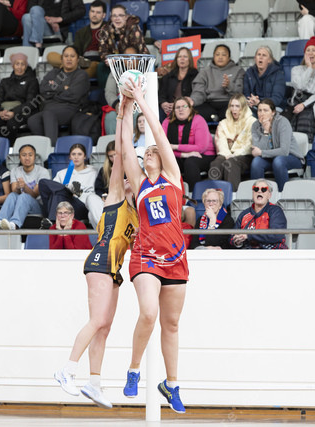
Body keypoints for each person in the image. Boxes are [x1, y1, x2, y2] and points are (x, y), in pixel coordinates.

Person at [54, 99, 137, 408]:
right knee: (97, 319)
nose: (127, 180)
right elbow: (122, 156)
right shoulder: (114, 198)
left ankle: (94, 383)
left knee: (105, 326)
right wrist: (124, 114)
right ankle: (66, 370)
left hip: (115, 268)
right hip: (100, 260)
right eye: (125, 177)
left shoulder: (136, 214)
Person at [120, 80, 189, 414]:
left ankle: (171, 384)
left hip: (176, 258)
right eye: (145, 152)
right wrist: (124, 110)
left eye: (152, 152)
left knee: (171, 325)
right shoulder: (140, 183)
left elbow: (160, 135)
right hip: (145, 256)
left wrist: (142, 101)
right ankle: (133, 370)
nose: (148, 153)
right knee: (149, 312)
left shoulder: (172, 178)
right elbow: (124, 147)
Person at [27, 46, 89, 144]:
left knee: (48, 114)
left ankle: (51, 147)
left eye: (72, 56)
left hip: (70, 108)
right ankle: (43, 145)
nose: (69, 59)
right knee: (32, 120)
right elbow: (43, 90)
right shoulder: (54, 72)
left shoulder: (81, 75)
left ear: (77, 59)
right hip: (49, 108)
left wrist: (54, 91)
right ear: (62, 59)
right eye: (66, 56)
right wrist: (64, 88)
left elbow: (73, 96)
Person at [38, 143, 103, 227]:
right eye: (73, 154)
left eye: (79, 154)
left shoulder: (94, 172)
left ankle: (52, 221)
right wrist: (68, 191)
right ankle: (66, 191)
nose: (76, 157)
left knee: (59, 193)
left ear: (85, 156)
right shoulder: (62, 173)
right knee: (43, 183)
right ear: (70, 157)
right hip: (64, 205)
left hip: (84, 206)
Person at [0, 144, 50, 230]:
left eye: (30, 155)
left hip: (38, 206)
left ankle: (14, 224)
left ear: (34, 157)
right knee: (12, 195)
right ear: (19, 157)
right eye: (24, 155)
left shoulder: (43, 172)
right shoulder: (15, 171)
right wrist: (17, 187)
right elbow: (14, 191)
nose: (27, 158)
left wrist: (24, 187)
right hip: (20, 204)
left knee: (24, 196)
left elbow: (35, 194)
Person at [250, 99, 304, 192]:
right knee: (256, 162)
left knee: (278, 161)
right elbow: (256, 151)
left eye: (265, 110)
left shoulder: (282, 122)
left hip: (291, 156)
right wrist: (266, 132)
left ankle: (282, 194)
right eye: (259, 110)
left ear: (273, 112)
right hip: (270, 158)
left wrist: (261, 152)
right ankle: (259, 194)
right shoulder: (255, 125)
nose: (262, 113)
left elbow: (284, 151)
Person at [0, 52, 40, 143]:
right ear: (13, 65)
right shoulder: (5, 82)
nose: (19, 67)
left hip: (24, 112)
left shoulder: (32, 81)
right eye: (17, 64)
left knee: (12, 123)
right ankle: (8, 143)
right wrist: (0, 112)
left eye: (22, 64)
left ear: (26, 66)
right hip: (6, 111)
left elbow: (31, 102)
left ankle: (11, 145)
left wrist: (14, 112)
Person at [162, 97, 215, 190]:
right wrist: (183, 154)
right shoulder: (167, 122)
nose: (181, 109)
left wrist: (175, 146)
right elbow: (163, 148)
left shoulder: (198, 120)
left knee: (190, 162)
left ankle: (192, 193)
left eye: (184, 106)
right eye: (178, 107)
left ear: (190, 108)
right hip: (178, 155)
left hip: (203, 155)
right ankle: (170, 192)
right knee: (166, 161)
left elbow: (200, 147)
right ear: (174, 110)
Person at [208, 94, 257, 189]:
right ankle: (212, 194)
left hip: (245, 155)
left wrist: (235, 154)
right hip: (226, 154)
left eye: (237, 106)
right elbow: (220, 142)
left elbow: (249, 145)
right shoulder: (223, 123)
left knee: (231, 164)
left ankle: (232, 195)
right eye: (232, 106)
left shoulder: (252, 122)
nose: (234, 109)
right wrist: (227, 155)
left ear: (243, 107)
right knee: (215, 164)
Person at [283, 37, 315, 142]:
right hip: (295, 102)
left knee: (305, 120)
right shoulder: (296, 69)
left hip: (311, 103)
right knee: (283, 121)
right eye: (308, 50)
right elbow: (299, 86)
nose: (310, 53)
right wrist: (309, 68)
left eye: (313, 50)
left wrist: (304, 105)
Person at [97, 4, 149, 87]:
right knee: (101, 66)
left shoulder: (133, 27)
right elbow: (102, 50)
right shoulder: (105, 29)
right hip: (114, 62)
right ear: (111, 18)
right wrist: (108, 59)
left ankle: (130, 88)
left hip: (135, 60)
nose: (117, 18)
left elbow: (136, 51)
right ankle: (104, 92)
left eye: (120, 15)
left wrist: (119, 59)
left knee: (128, 58)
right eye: (114, 16)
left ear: (126, 17)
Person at [190, 44, 245, 122]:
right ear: (213, 56)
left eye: (224, 55)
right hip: (209, 103)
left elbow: (239, 92)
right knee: (194, 113)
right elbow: (199, 92)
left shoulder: (238, 70)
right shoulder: (205, 72)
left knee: (231, 113)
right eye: (217, 54)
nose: (220, 57)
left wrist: (229, 86)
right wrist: (193, 101)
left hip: (229, 103)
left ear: (229, 57)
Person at [231, 179, 288, 249]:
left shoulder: (275, 211)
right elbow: (232, 236)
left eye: (264, 189)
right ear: (253, 193)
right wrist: (237, 241)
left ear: (269, 195)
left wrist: (249, 236)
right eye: (256, 189)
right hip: (248, 252)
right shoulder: (244, 214)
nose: (259, 191)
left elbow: (276, 235)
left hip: (271, 252)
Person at [158, 47, 198, 120]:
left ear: (189, 59)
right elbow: (161, 94)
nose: (182, 59)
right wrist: (164, 103)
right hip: (169, 108)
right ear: (176, 59)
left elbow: (196, 95)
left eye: (185, 56)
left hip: (187, 107)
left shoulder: (196, 75)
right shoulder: (168, 76)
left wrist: (179, 105)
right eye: (179, 57)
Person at [243, 46, 286, 113]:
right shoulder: (249, 73)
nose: (261, 57)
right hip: (253, 106)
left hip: (273, 107)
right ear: (255, 58)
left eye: (264, 55)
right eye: (259, 54)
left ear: (269, 60)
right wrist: (251, 101)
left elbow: (277, 99)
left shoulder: (278, 74)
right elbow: (246, 93)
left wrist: (260, 102)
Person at [73, 0, 107, 78]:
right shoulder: (81, 32)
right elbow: (76, 50)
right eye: (92, 11)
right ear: (89, 13)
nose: (94, 15)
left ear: (104, 15)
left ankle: (75, 78)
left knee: (94, 65)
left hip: (97, 62)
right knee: (51, 56)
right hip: (83, 61)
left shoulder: (108, 29)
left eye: (98, 12)